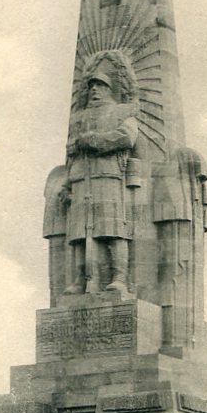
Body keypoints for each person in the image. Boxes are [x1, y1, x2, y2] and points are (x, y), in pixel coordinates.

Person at [62, 51, 138, 294]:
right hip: (81, 178)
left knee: (112, 228)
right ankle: (80, 280)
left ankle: (119, 278)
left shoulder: (122, 111)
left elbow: (126, 137)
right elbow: (71, 149)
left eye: (101, 85)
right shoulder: (80, 117)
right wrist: (67, 184)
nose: (95, 90)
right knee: (78, 233)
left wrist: (93, 140)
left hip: (108, 176)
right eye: (92, 85)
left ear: (110, 88)